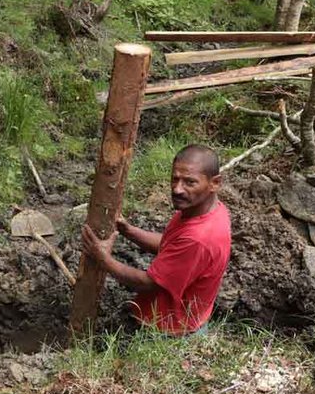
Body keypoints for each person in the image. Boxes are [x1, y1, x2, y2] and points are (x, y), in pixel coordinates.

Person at [81, 144, 231, 336]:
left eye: (190, 182)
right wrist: (129, 231)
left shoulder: (199, 238)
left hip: (171, 333)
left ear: (215, 183)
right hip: (176, 319)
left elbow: (148, 282)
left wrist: (103, 259)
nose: (177, 189)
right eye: (174, 179)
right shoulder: (206, 210)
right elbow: (172, 246)